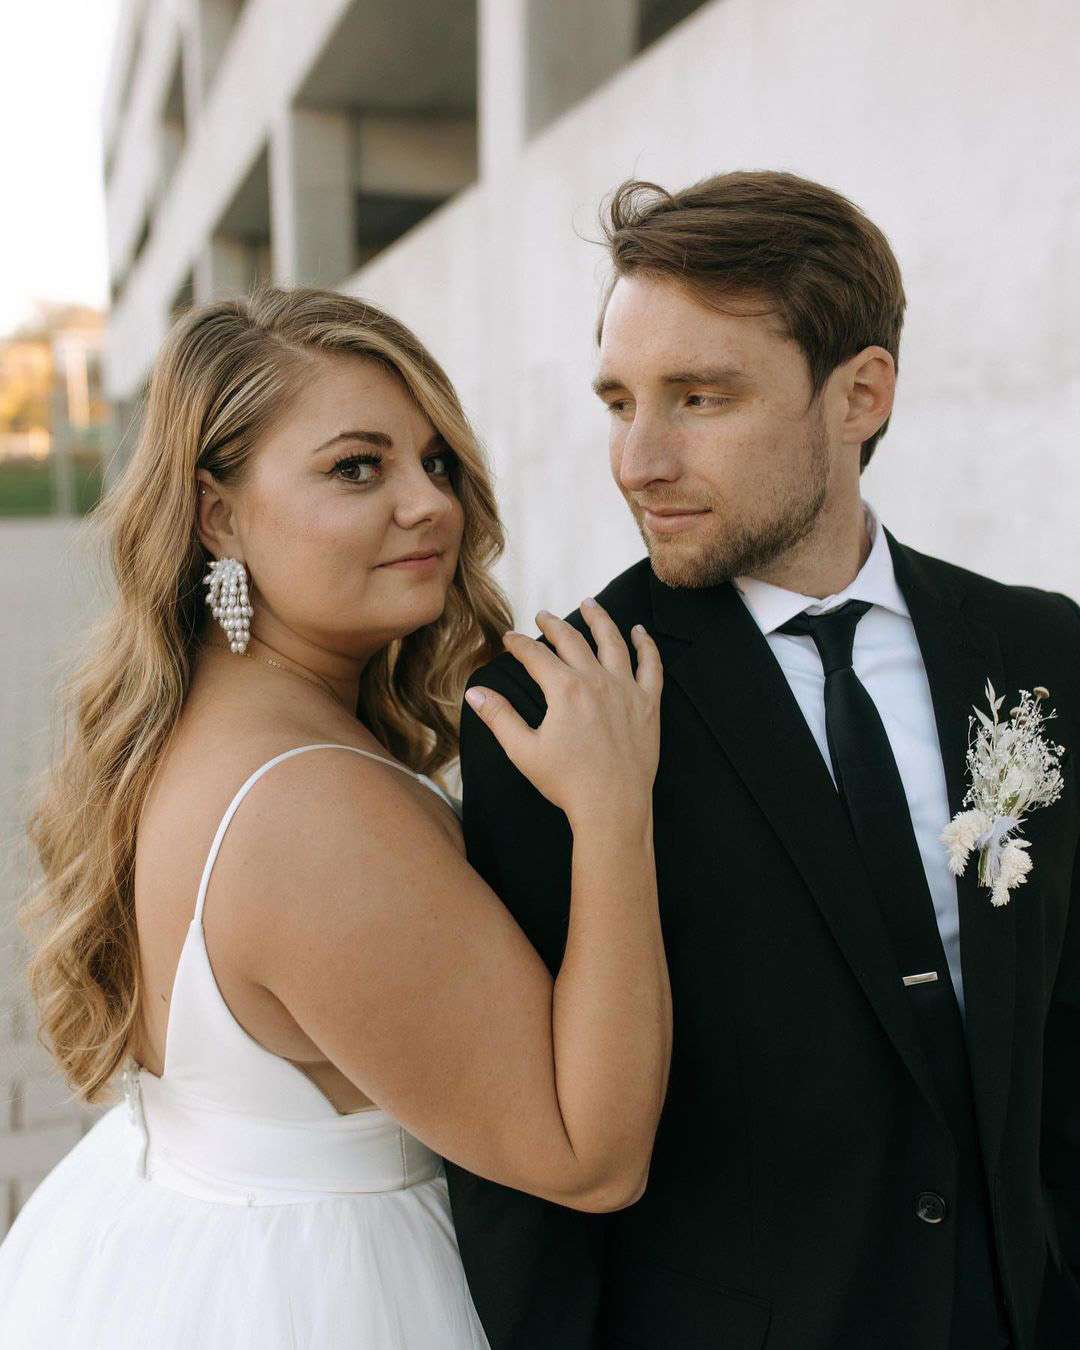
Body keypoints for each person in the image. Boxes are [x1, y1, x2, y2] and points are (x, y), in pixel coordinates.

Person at [444, 171, 1080, 1349]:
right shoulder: (548, 706)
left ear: (860, 395)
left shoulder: (1039, 652)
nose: (639, 460)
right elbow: (522, 1177)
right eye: (620, 402)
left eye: (700, 398)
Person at [0, 287, 670, 1349]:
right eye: (357, 468)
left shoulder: (198, 718)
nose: (429, 503)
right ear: (219, 516)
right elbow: (587, 1157)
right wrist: (612, 808)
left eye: (436, 462)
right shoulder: (312, 802)